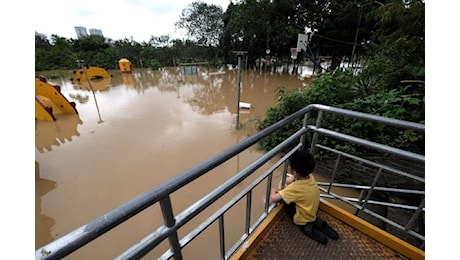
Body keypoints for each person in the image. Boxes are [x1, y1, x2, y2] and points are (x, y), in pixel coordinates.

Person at [268, 149, 339, 244]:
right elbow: (292, 179)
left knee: (285, 200)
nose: (288, 167)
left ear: (295, 171)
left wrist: (274, 190)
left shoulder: (294, 188)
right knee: (288, 194)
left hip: (301, 218)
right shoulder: (310, 177)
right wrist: (287, 182)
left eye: (289, 165)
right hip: (312, 211)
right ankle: (317, 223)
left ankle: (306, 227)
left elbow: (274, 198)